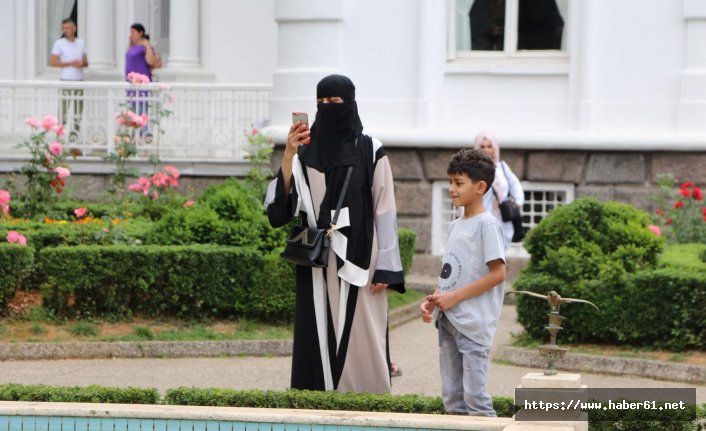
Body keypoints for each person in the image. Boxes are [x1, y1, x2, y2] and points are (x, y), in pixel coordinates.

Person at [265, 74, 405, 393]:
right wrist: (288, 153)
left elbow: (385, 210)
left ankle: (367, 400)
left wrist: (387, 267)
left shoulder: (371, 150)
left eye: (335, 102)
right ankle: (316, 401)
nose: (328, 108)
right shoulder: (303, 155)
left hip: (359, 260)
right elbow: (279, 211)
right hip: (316, 261)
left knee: (363, 328)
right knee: (317, 329)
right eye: (322, 102)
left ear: (351, 103)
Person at [420, 149, 506, 416]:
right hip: (448, 321)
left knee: (475, 399)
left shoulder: (487, 225)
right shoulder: (455, 226)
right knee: (453, 400)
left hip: (473, 325)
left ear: (480, 187)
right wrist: (434, 299)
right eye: (450, 182)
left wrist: (455, 298)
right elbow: (452, 274)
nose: (451, 189)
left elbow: (498, 274)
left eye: (459, 183)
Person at [474, 131, 525, 245]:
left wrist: (518, 202)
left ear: (494, 148)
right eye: (482, 147)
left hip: (502, 219)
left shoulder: (502, 167)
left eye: (489, 146)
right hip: (481, 219)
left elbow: (515, 185)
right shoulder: (473, 170)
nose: (486, 150)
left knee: (500, 254)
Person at [50, 18, 88, 139]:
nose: (65, 30)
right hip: (65, 80)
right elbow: (53, 62)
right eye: (63, 28)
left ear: (74, 28)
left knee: (78, 113)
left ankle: (73, 140)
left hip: (79, 81)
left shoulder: (81, 42)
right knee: (63, 112)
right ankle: (59, 140)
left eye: (67, 28)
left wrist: (80, 64)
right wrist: (70, 63)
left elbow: (86, 62)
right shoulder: (59, 43)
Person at [125, 23, 155, 136]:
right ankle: (134, 136)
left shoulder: (145, 46)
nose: (131, 34)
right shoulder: (132, 46)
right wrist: (130, 42)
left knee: (142, 111)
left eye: (133, 32)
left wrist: (146, 44)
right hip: (131, 84)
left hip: (142, 84)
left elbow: (150, 61)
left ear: (140, 33)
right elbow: (127, 55)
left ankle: (145, 135)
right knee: (132, 111)